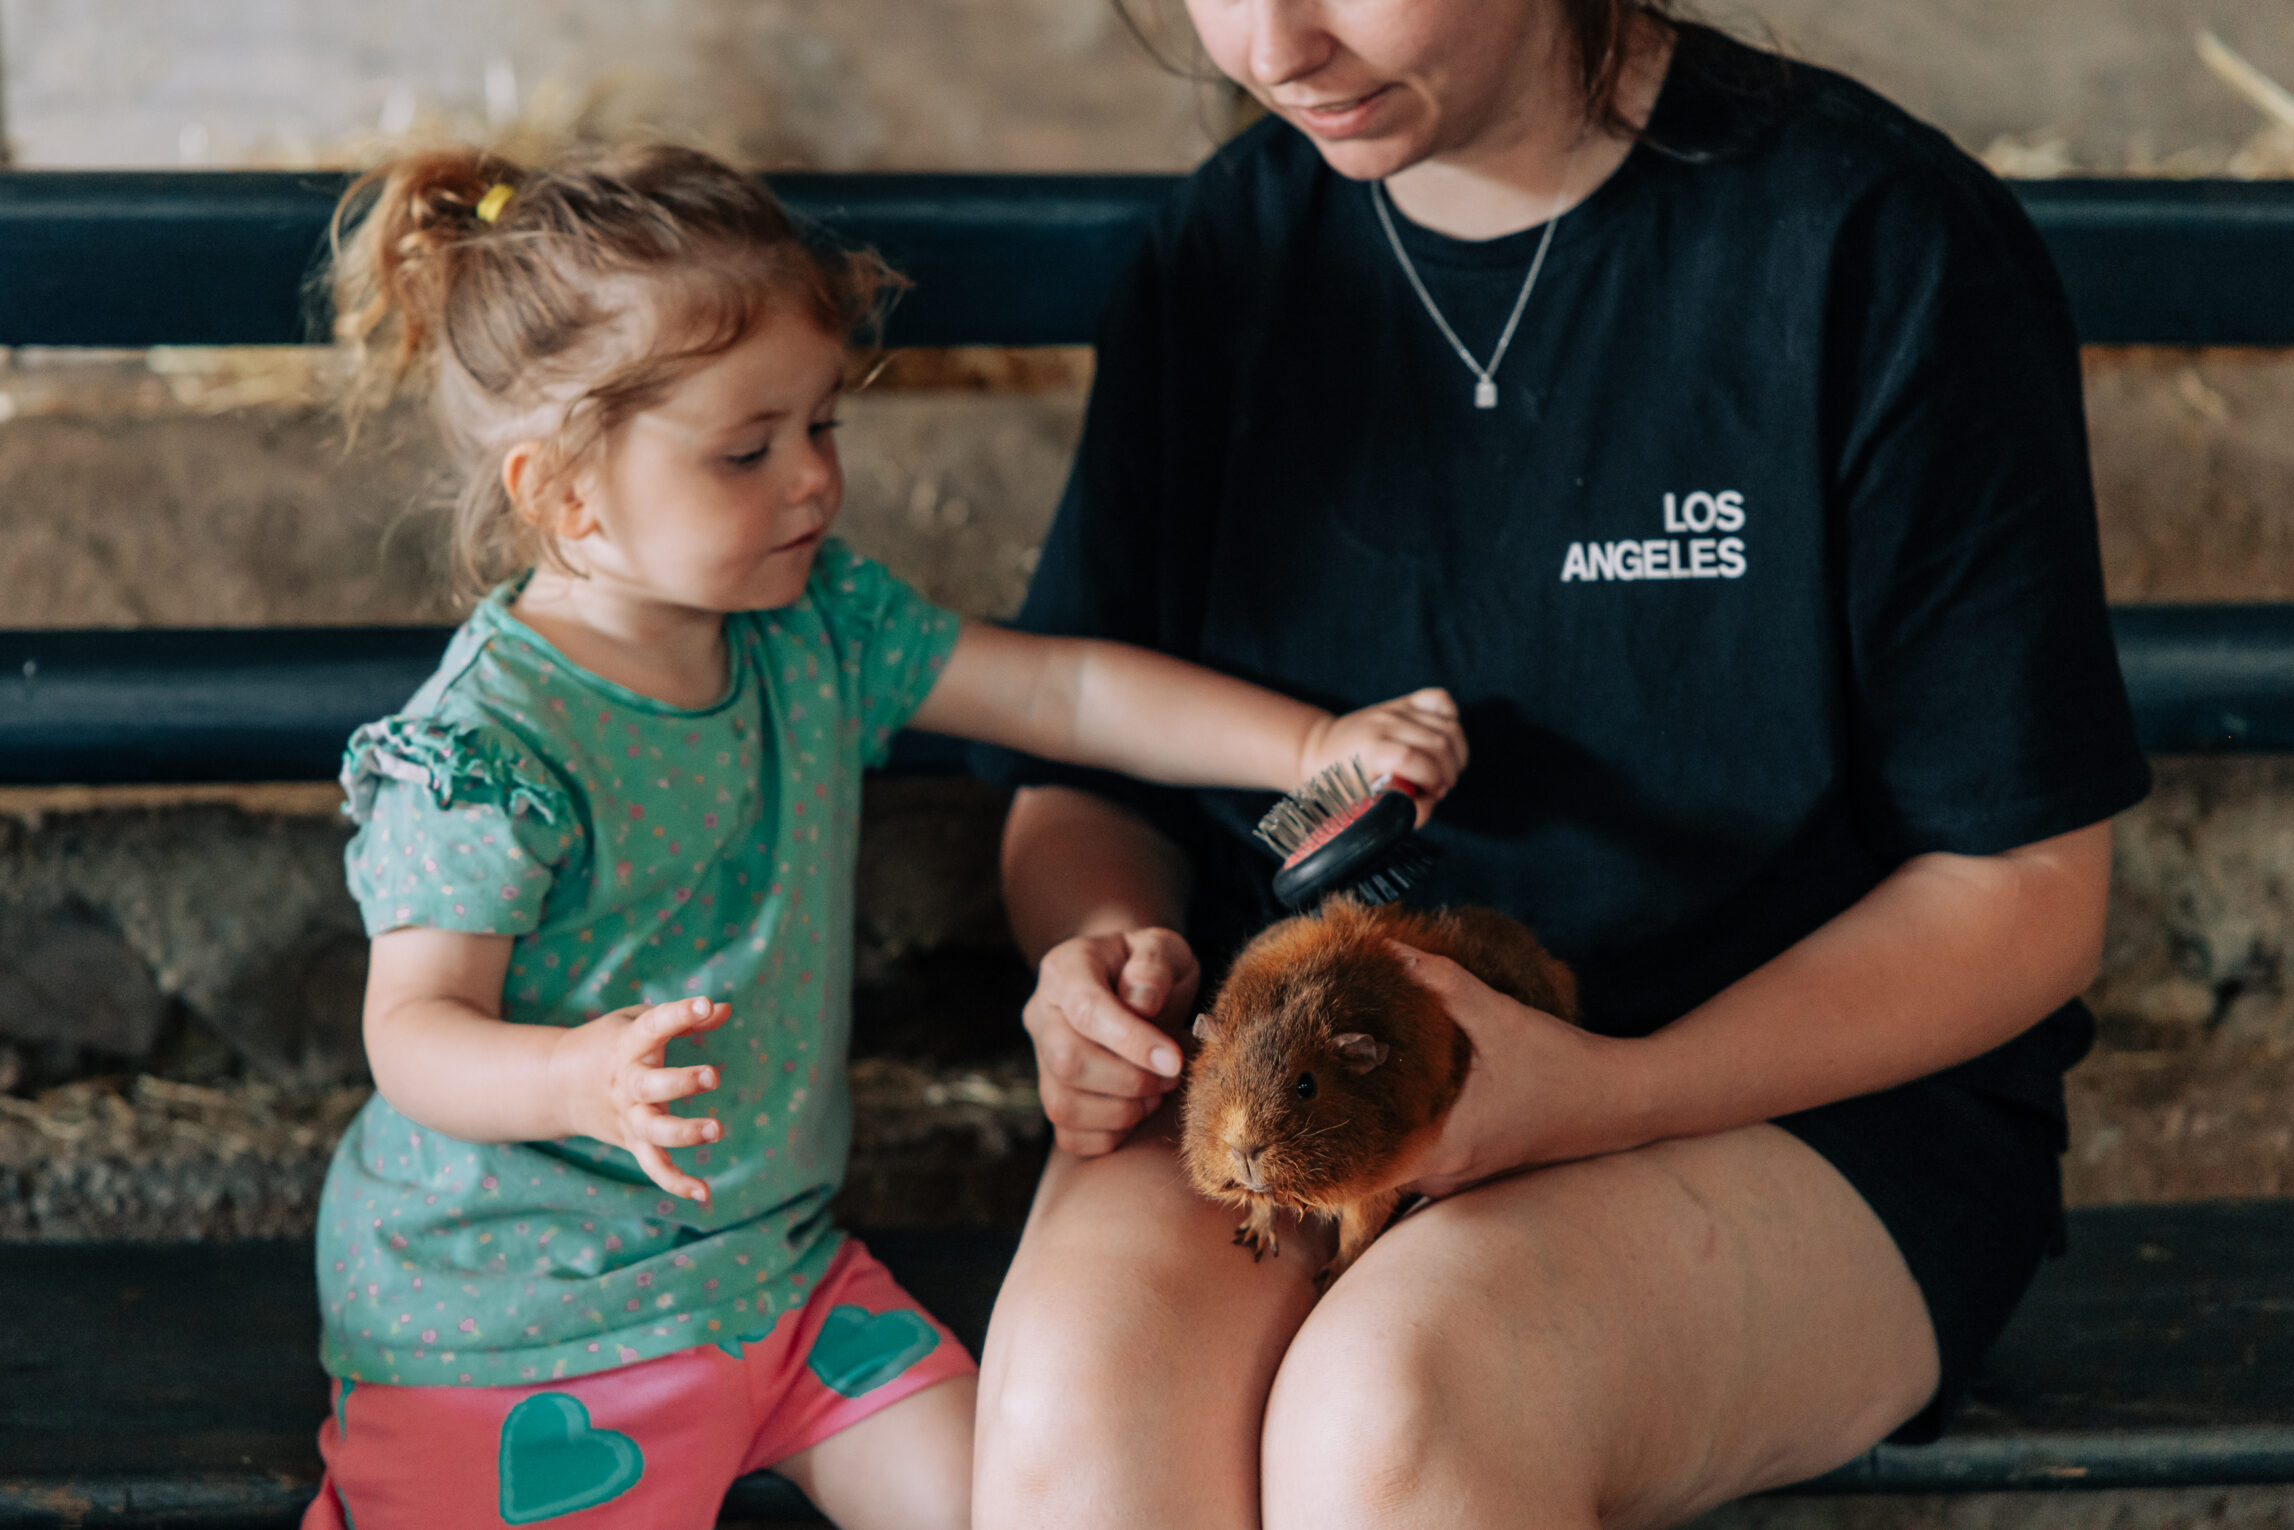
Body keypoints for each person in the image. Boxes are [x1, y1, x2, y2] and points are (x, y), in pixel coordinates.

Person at [971, 2, 2149, 1526]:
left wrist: (1611, 1092)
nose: (1268, 50)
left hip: (1789, 1103)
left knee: (1397, 1403)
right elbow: (1088, 780)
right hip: (1296, 1071)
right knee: (1081, 1390)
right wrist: (1103, 960)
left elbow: (2022, 889)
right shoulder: (1221, 249)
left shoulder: (1878, 237)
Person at [300, 142, 1468, 1530]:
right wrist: (574, 1077)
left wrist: (1311, 745)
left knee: (1021, 1503)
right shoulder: (486, 752)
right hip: (516, 1330)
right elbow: (412, 1032)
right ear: (565, 495)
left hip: (776, 1286)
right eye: (748, 450)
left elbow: (1061, 692)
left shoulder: (816, 627)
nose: (812, 480)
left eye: (821, 426)